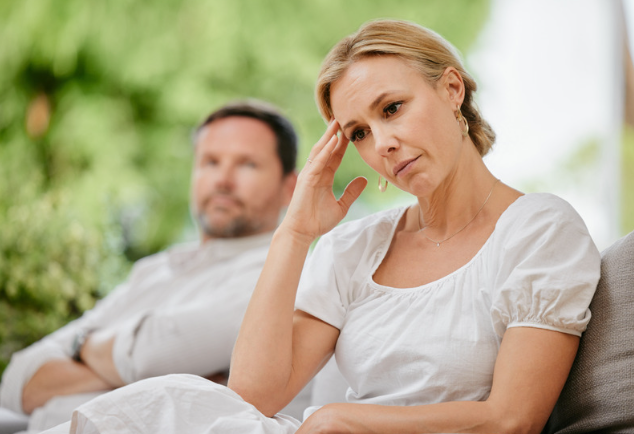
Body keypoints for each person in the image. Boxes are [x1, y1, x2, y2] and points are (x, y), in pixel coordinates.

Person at [41, 19, 600, 434]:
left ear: (452, 89)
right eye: (357, 133)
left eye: (392, 109)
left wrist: (347, 420)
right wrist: (296, 232)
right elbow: (254, 395)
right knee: (161, 405)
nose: (381, 144)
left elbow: (512, 420)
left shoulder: (538, 230)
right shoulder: (361, 246)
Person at [0, 99, 299, 433]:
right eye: (210, 162)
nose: (223, 180)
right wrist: (172, 384)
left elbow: (150, 357)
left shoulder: (280, 278)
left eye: (247, 165)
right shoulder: (153, 270)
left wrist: (79, 347)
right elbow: (16, 380)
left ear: (290, 187)